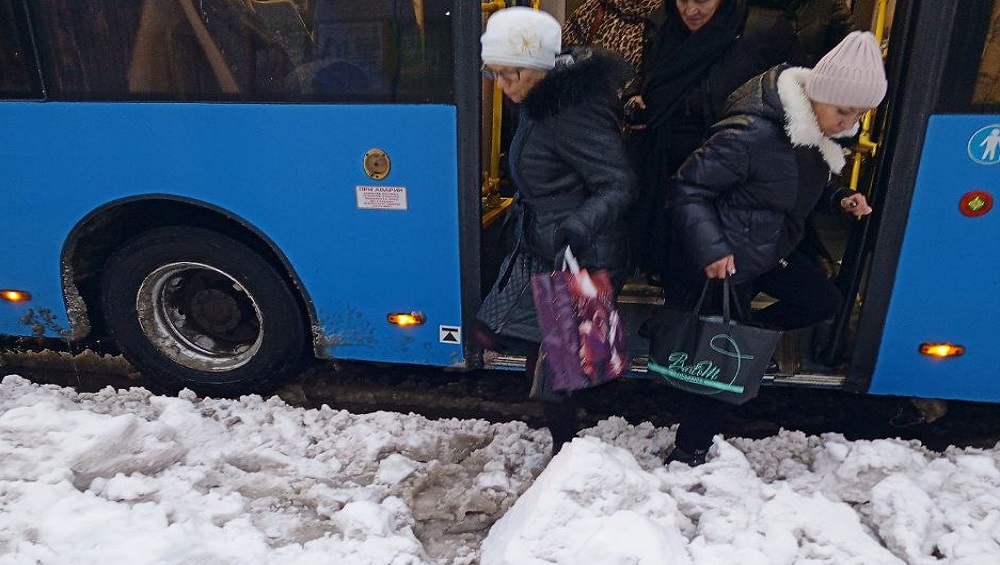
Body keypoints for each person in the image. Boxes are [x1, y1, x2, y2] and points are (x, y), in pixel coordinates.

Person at [662, 30, 887, 466]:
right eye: (842, 110)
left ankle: (749, 346)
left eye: (858, 113)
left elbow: (792, 187)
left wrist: (839, 197)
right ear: (817, 94)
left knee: (821, 300)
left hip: (769, 247)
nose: (848, 122)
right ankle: (687, 451)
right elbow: (686, 190)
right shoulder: (751, 134)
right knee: (723, 356)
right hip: (729, 259)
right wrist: (712, 248)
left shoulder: (814, 134)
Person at [474, 7, 638, 455]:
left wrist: (577, 227)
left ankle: (568, 454)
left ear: (539, 67)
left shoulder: (571, 110)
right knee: (505, 336)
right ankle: (568, 440)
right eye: (496, 77)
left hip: (578, 250)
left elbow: (619, 183)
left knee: (557, 368)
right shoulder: (541, 100)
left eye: (510, 76)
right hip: (542, 243)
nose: (505, 89)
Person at [624, 0, 795, 282]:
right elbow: (648, 78)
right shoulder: (663, 25)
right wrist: (636, 98)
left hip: (728, 172)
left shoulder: (764, 31)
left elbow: (788, 98)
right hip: (665, 164)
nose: (690, 11)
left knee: (715, 273)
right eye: (682, 0)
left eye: (702, 0)